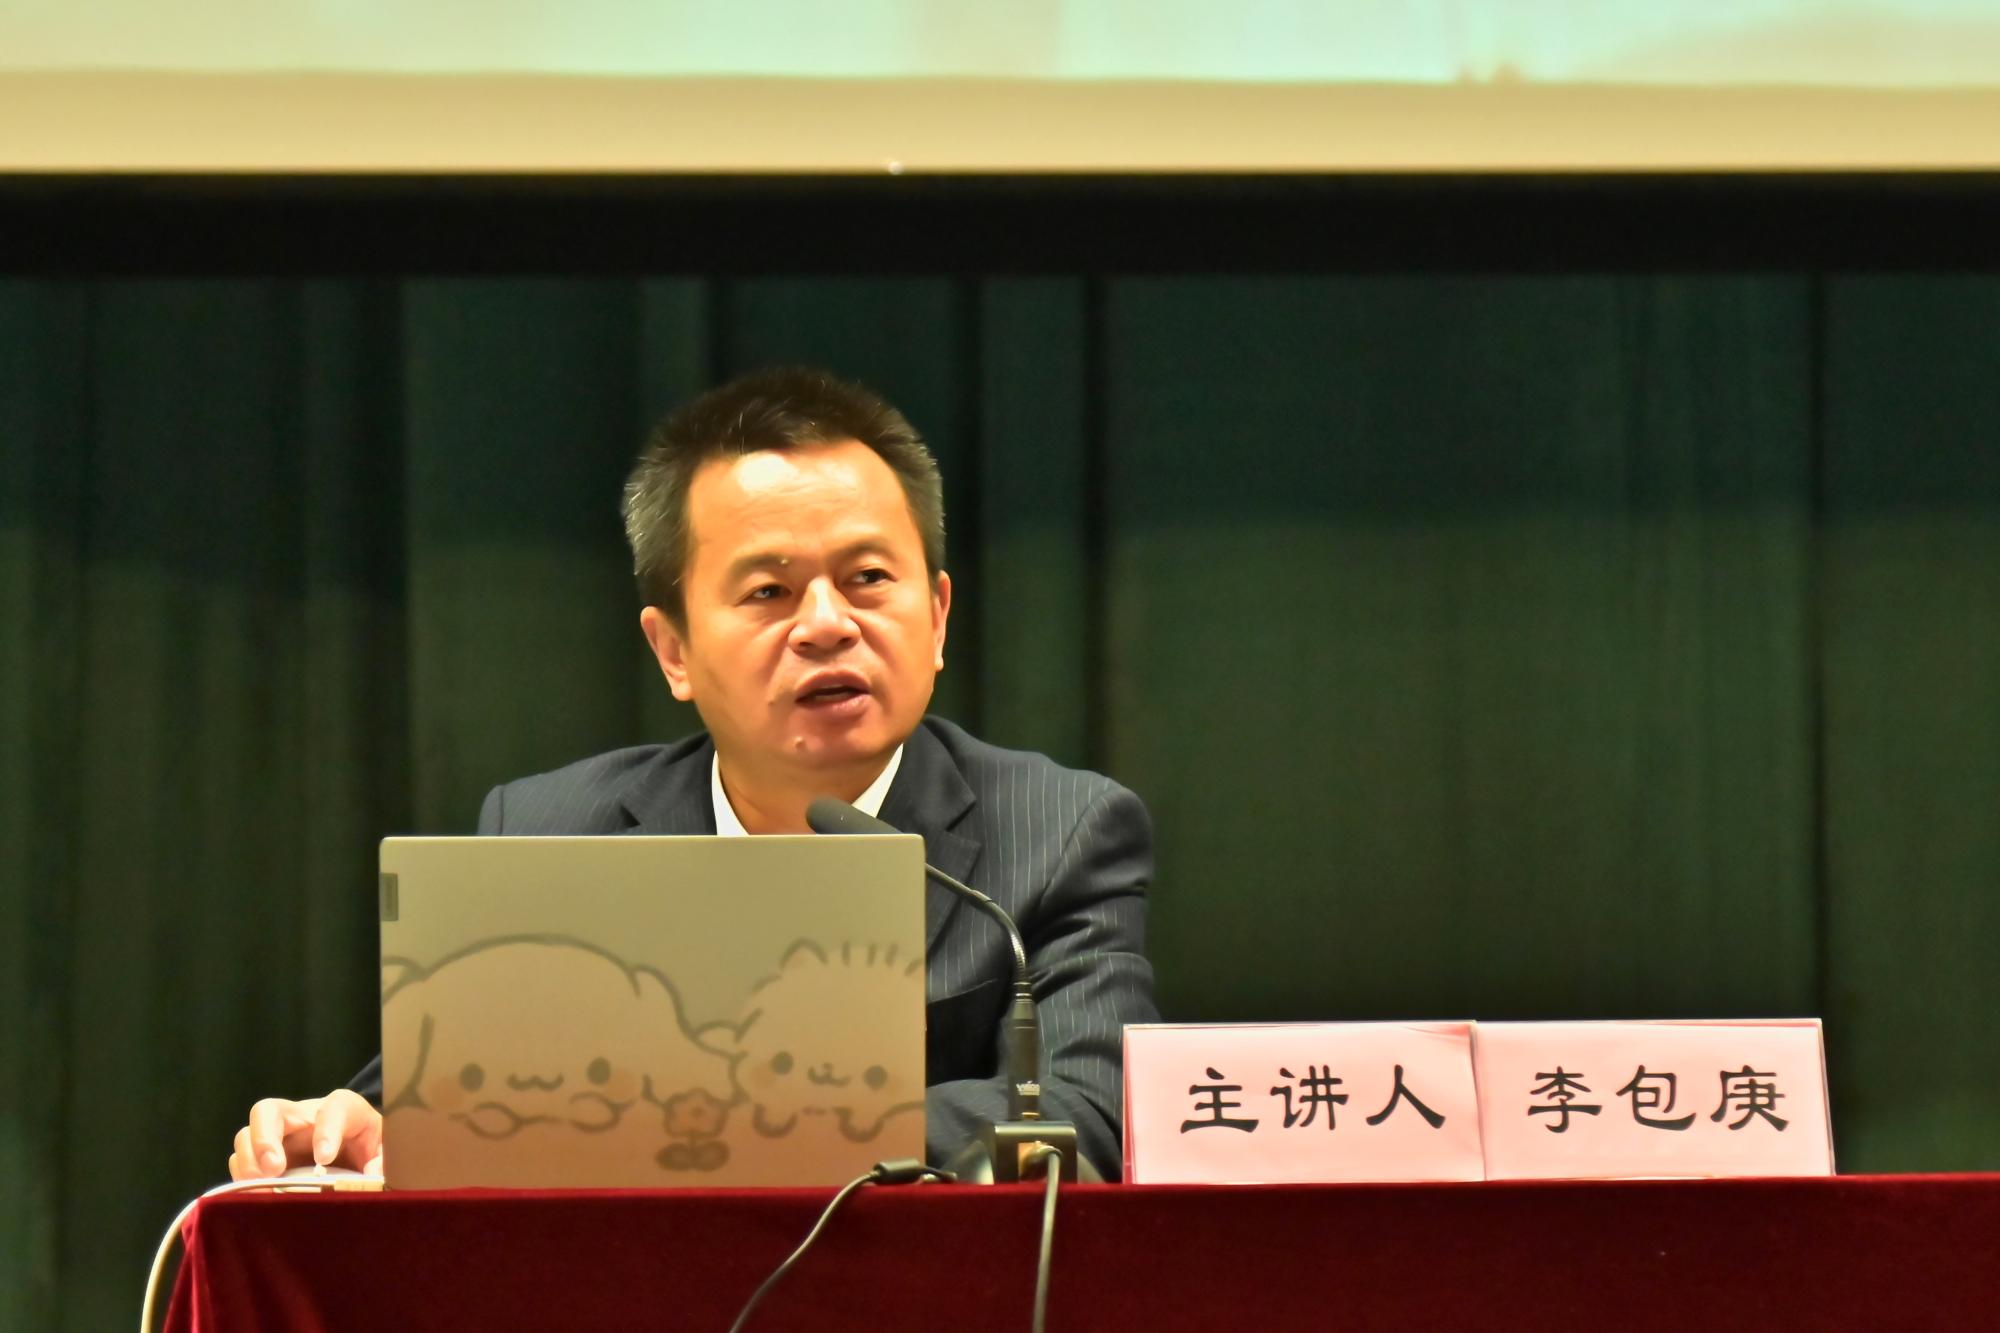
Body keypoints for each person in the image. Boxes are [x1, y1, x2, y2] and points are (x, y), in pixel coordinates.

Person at [226, 367, 1158, 1182]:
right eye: (769, 591)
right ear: (673, 650)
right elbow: (437, 1107)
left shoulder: (1056, 831)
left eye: (868, 578)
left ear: (939, 615)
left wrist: (738, 1125)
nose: (827, 624)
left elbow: (1089, 1116)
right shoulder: (555, 834)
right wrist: (354, 1125)